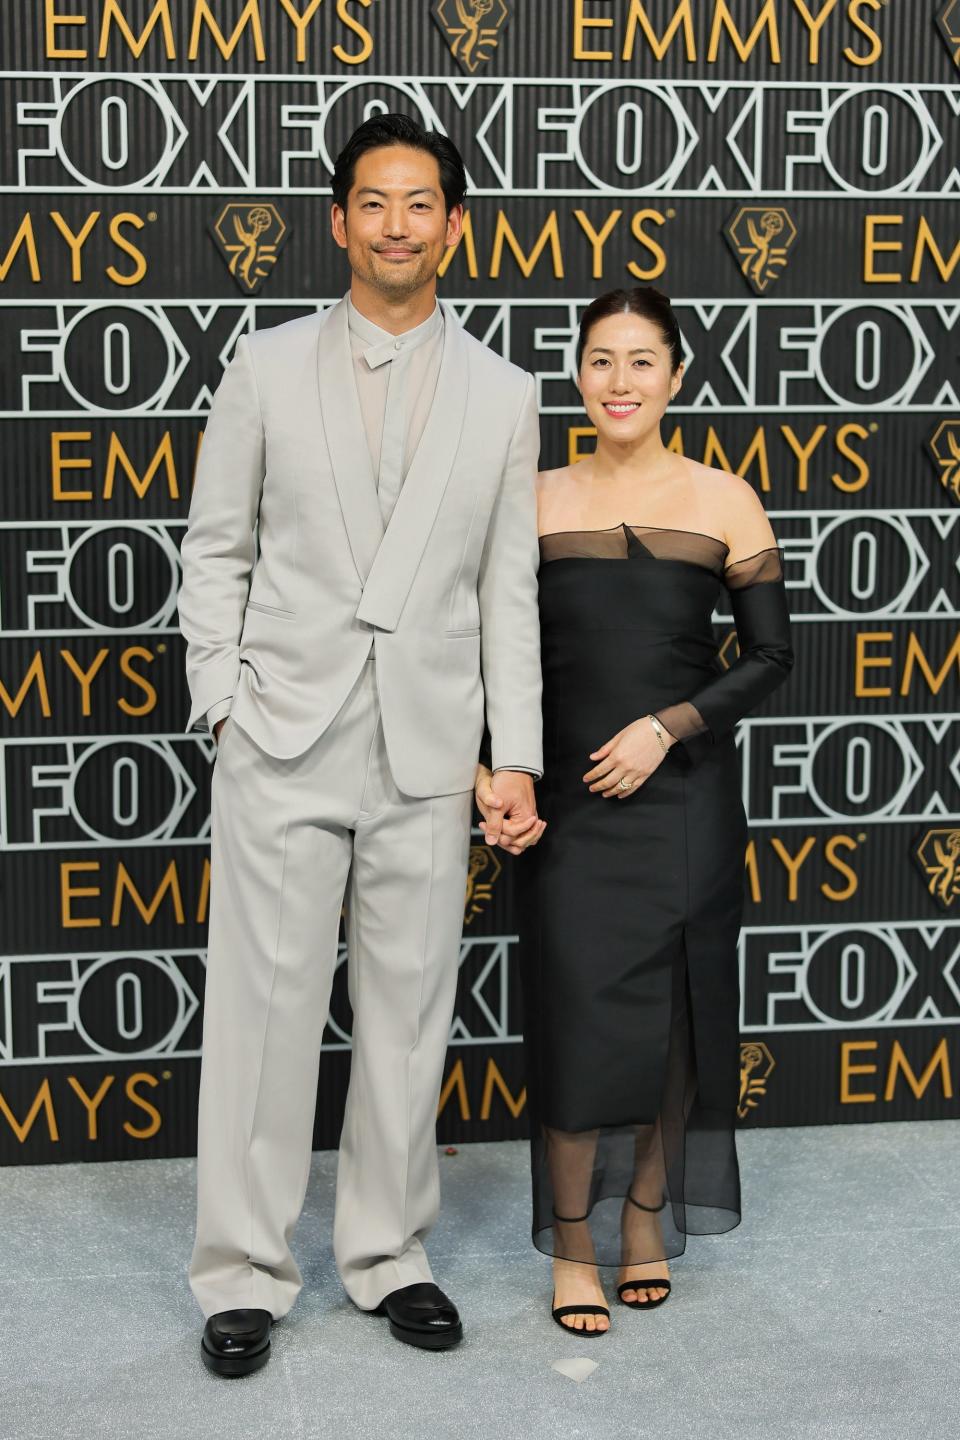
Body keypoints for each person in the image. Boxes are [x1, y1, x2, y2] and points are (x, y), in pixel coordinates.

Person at [178, 113, 544, 1376]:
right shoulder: (266, 365)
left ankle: (392, 1256)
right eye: (374, 202)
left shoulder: (505, 393)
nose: (398, 224)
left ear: (455, 223)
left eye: (421, 202)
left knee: (406, 1018)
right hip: (280, 733)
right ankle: (241, 1270)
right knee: (263, 1015)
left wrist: (517, 755)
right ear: (339, 222)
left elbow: (509, 593)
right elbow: (215, 548)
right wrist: (221, 697)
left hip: (431, 748)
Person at [476, 286, 793, 1335]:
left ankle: (645, 1222)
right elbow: (486, 656)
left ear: (676, 377)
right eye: (602, 361)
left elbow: (774, 656)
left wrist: (672, 725)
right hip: (568, 804)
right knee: (574, 1023)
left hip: (687, 802)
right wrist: (497, 770)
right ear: (578, 376)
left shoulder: (724, 499)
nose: (621, 382)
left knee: (673, 1034)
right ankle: (574, 1244)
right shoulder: (526, 497)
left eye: (642, 362)